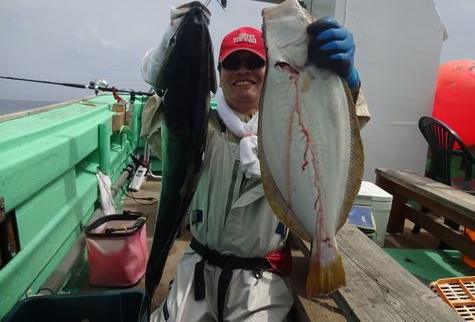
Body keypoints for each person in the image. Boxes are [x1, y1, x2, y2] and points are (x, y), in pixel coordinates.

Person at [146, 19, 369, 322]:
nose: (242, 69)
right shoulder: (200, 125)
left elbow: (340, 127)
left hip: (262, 277)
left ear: (271, 68)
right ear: (218, 75)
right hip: (197, 268)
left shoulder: (292, 126)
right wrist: (166, 62)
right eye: (231, 62)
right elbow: (159, 127)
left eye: (253, 61)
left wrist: (349, 83)